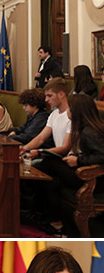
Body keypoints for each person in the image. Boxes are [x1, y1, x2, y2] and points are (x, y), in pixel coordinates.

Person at [38, 94, 104, 234]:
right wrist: (78, 157)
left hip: (93, 179)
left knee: (48, 162)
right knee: (51, 182)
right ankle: (57, 225)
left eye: (69, 108)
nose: (67, 111)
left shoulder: (89, 131)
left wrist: (79, 160)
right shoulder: (86, 128)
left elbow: (101, 156)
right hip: (84, 170)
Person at [20, 78, 72, 160]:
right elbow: (41, 138)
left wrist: (40, 152)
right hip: (56, 157)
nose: (46, 100)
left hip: (68, 159)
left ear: (61, 94)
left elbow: (65, 148)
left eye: (50, 96)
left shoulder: (71, 115)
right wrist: (24, 149)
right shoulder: (53, 114)